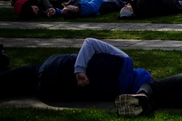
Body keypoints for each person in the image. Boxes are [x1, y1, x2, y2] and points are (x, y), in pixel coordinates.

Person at [0, 37, 151, 102]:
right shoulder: (114, 93)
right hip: (51, 91)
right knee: (16, 88)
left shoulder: (123, 60)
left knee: (13, 77)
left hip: (59, 65)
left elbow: (90, 42)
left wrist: (80, 70)